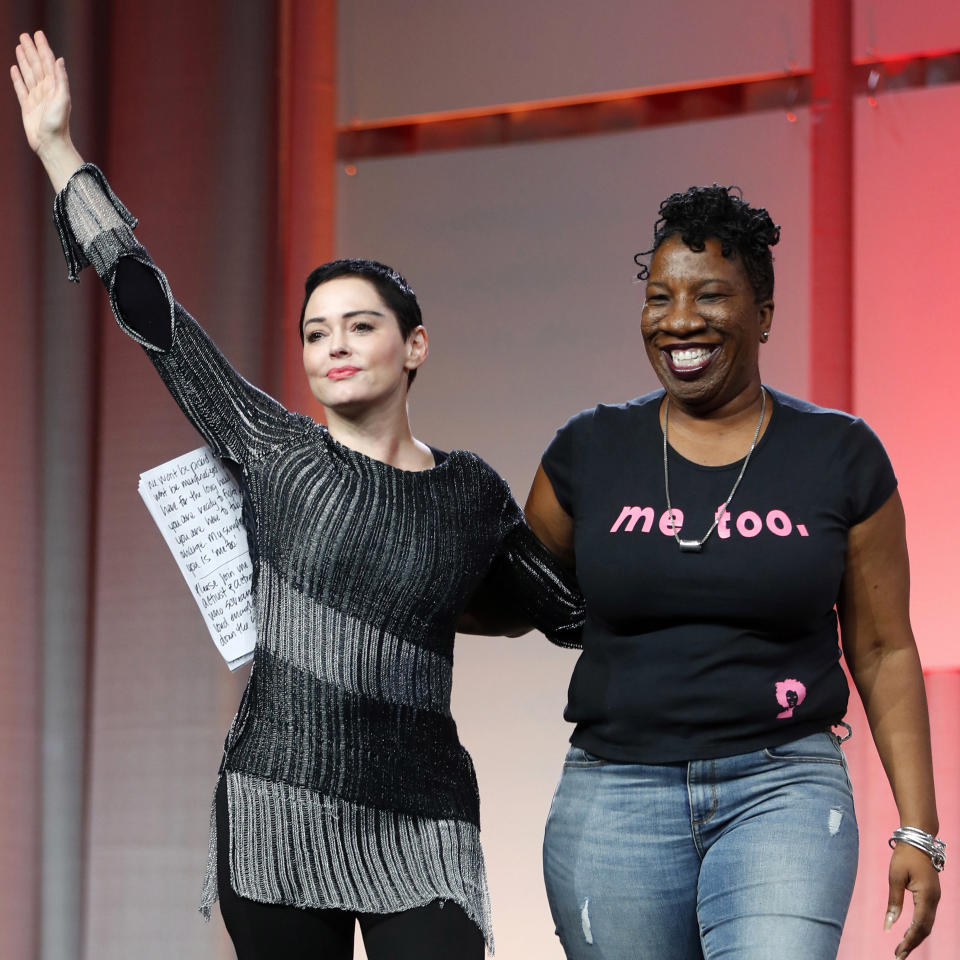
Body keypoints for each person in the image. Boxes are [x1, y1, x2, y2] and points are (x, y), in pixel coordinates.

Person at [11, 30, 582, 960]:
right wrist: (57, 152)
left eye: (361, 325)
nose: (336, 346)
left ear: (416, 346)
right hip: (278, 804)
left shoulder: (471, 491)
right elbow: (154, 313)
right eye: (318, 334)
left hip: (423, 817)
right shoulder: (276, 447)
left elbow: (555, 611)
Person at [524, 183, 943, 960]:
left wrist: (919, 827)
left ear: (764, 314)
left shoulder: (840, 454)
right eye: (660, 296)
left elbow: (884, 648)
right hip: (616, 793)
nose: (679, 319)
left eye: (709, 294)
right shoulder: (589, 450)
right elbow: (514, 595)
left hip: (783, 786)